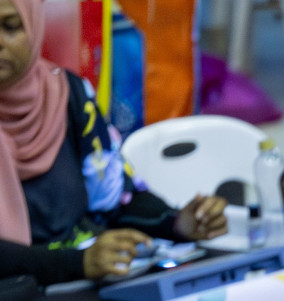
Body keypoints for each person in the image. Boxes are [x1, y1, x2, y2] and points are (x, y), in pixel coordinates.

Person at [0, 0, 227, 286]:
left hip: (77, 285)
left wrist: (177, 223)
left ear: (34, 28)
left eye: (10, 27)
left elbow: (116, 196)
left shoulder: (66, 95)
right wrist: (77, 263)